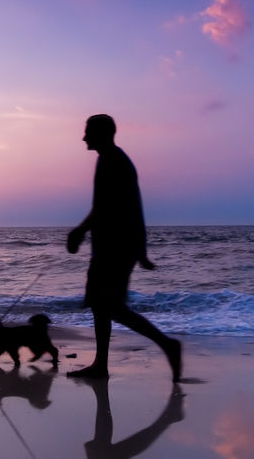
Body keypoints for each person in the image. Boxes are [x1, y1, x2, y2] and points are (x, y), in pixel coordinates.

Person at [66, 114, 182, 381]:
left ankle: (167, 345)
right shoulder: (108, 159)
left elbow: (110, 207)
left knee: (112, 307)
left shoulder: (114, 161)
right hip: (112, 247)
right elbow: (125, 206)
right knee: (100, 305)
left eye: (88, 132)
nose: (84, 137)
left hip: (115, 249)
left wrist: (80, 231)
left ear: (103, 133)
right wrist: (139, 249)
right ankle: (101, 365)